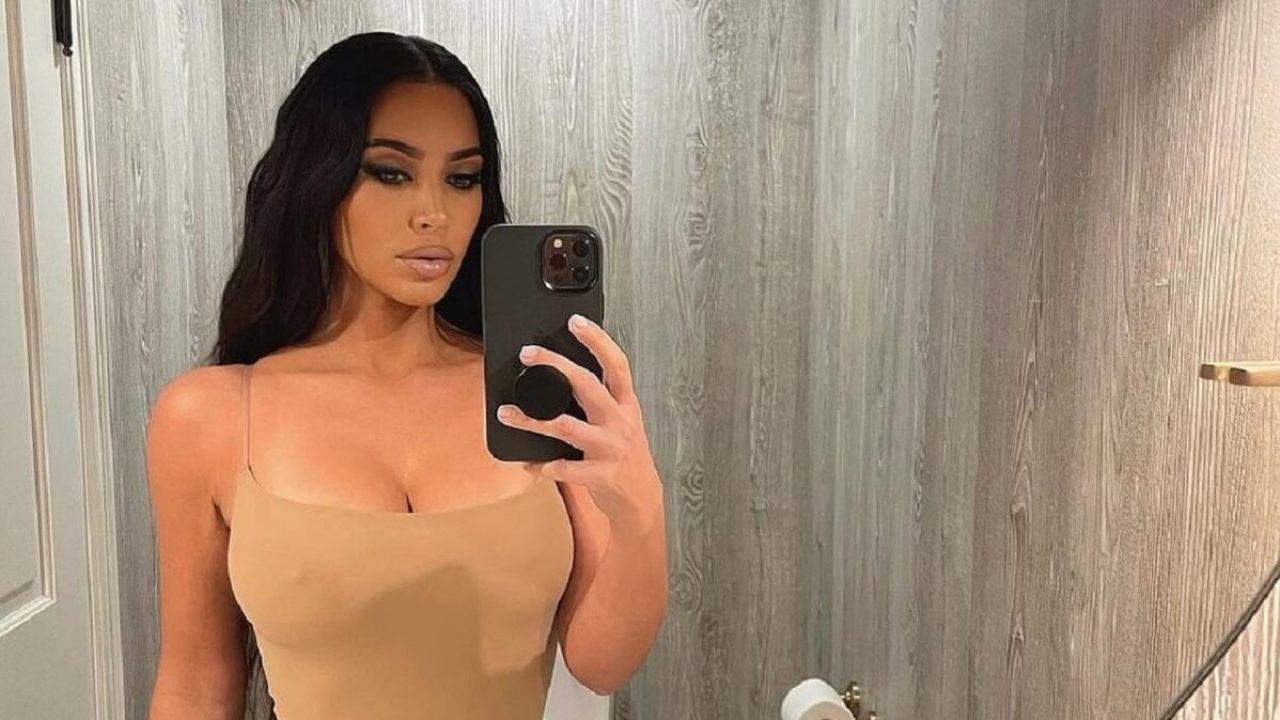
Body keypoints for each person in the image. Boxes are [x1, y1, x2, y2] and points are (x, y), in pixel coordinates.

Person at [144, 32, 668, 720]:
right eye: (392, 173)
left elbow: (602, 662)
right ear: (317, 179)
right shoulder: (207, 417)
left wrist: (640, 507)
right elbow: (195, 683)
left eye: (462, 178)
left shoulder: (535, 388)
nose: (435, 214)